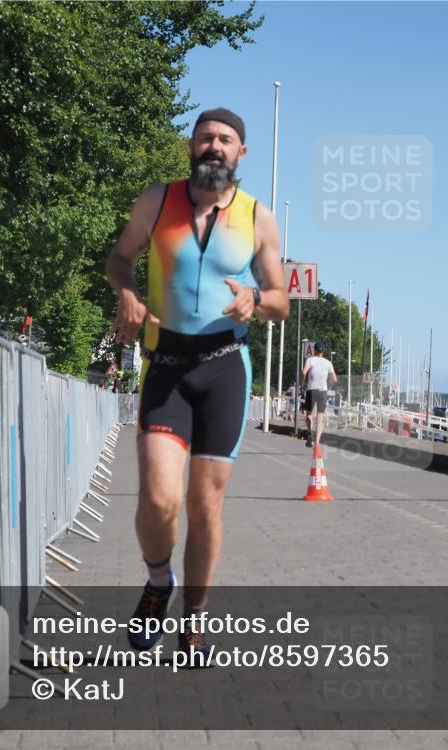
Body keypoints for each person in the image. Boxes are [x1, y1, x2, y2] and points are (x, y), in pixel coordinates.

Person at [105, 107, 289, 661]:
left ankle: (196, 617)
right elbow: (120, 257)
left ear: (241, 153)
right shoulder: (157, 200)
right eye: (206, 137)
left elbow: (281, 298)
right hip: (165, 366)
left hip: (225, 367)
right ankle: (158, 582)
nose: (215, 146)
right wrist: (129, 292)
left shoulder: (258, 217)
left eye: (226, 140)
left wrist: (255, 300)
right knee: (160, 500)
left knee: (205, 508)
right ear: (191, 145)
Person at [302, 342, 338, 447]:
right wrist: (329, 382)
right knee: (320, 417)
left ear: (314, 350)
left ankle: (309, 433)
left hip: (311, 389)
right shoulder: (328, 363)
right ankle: (317, 442)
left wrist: (302, 383)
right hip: (323, 391)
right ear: (323, 351)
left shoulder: (310, 360)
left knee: (309, 414)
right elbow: (334, 379)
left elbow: (304, 372)